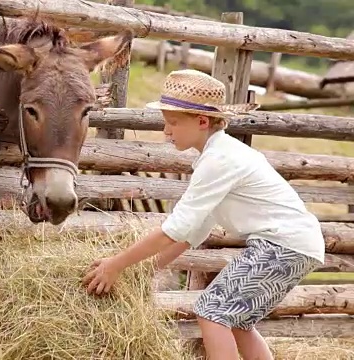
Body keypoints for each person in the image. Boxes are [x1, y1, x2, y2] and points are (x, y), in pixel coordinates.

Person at [81, 69, 325, 360]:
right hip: (296, 245)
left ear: (201, 121)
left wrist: (116, 265)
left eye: (172, 123)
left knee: (211, 311)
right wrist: (145, 271)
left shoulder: (219, 160)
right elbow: (193, 232)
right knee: (239, 322)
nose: (166, 131)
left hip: (282, 245)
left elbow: (174, 230)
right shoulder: (217, 157)